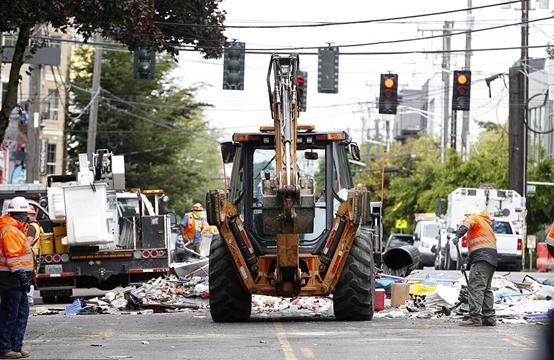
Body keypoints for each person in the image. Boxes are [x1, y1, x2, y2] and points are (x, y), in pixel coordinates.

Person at [452, 205, 497, 327]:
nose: (466, 219)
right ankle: (489, 318)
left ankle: (474, 318)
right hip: (490, 258)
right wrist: (466, 263)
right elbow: (477, 248)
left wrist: (458, 235)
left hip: (482, 259)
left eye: (466, 217)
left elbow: (466, 225)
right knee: (486, 289)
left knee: (476, 288)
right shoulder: (485, 224)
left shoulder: (474, 218)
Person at [0, 197, 34, 359]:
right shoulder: (11, 231)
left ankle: (15, 346)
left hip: (16, 279)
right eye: (25, 214)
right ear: (18, 214)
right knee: (10, 315)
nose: (27, 217)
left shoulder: (15, 228)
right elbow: (13, 258)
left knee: (21, 313)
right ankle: (5, 349)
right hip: (11, 279)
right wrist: (23, 277)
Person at [24, 205, 41, 306]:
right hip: (32, 255)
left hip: (28, 255)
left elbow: (28, 242)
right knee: (30, 277)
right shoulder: (36, 225)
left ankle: (29, 300)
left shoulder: (31, 227)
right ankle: (29, 299)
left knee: (28, 278)